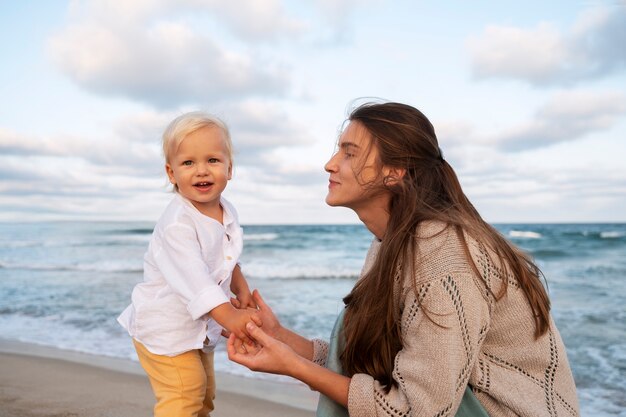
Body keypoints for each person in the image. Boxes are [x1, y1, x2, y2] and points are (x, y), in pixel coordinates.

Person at [227, 101, 580, 416]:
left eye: (349, 153)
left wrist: (295, 368)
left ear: (394, 172)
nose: (329, 164)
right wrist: (281, 339)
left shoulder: (443, 253)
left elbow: (418, 410)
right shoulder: (392, 243)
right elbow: (380, 369)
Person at [118, 111, 260, 417]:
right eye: (188, 163)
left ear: (229, 168)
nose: (201, 171)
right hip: (166, 328)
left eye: (212, 160)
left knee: (204, 395)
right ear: (171, 173)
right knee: (185, 394)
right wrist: (232, 320)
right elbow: (197, 282)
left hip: (196, 329)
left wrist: (241, 287)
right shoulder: (177, 224)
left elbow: (227, 255)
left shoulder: (226, 210)